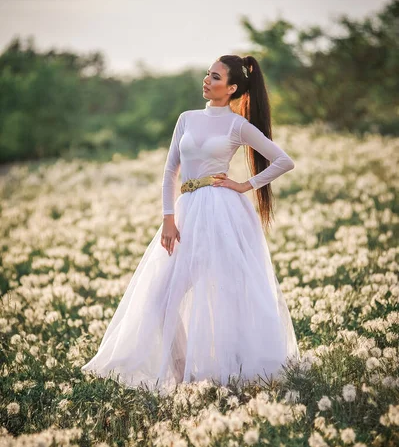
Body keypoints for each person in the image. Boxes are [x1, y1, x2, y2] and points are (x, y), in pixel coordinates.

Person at [81, 54, 300, 392]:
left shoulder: (237, 126)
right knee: (161, 298)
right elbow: (171, 171)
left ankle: (234, 375)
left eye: (215, 77)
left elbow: (283, 161)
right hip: (186, 211)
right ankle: (182, 378)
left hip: (222, 213)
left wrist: (245, 185)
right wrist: (168, 219)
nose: (207, 80)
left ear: (231, 89)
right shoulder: (187, 118)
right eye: (207, 74)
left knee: (225, 294)